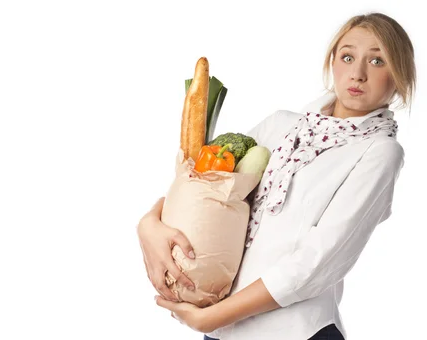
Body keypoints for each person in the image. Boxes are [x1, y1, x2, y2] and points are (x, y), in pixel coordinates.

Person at [136, 12, 416, 340]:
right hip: (222, 328)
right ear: (333, 63)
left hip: (293, 331)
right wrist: (150, 224)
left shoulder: (379, 152)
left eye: (378, 61)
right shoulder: (282, 125)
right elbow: (206, 190)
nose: (358, 73)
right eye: (348, 56)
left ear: (399, 76)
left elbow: (315, 263)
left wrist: (211, 319)